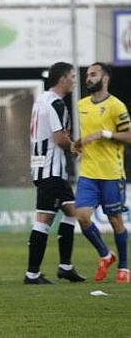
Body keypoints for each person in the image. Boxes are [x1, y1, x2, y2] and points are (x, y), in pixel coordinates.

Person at [24, 61, 86, 284]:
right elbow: (60, 139)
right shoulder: (56, 103)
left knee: (65, 215)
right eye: (72, 76)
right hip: (52, 169)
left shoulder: (41, 101)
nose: (74, 80)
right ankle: (34, 273)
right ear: (62, 79)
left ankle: (64, 266)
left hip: (42, 168)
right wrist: (76, 147)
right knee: (54, 218)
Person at [72, 62, 131, 284]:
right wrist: (77, 144)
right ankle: (106, 254)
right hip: (88, 172)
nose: (88, 78)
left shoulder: (117, 106)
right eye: (87, 74)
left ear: (105, 78)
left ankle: (124, 268)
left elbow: (129, 136)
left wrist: (103, 133)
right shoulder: (81, 105)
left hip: (112, 173)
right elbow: (86, 136)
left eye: (93, 74)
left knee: (115, 220)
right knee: (82, 216)